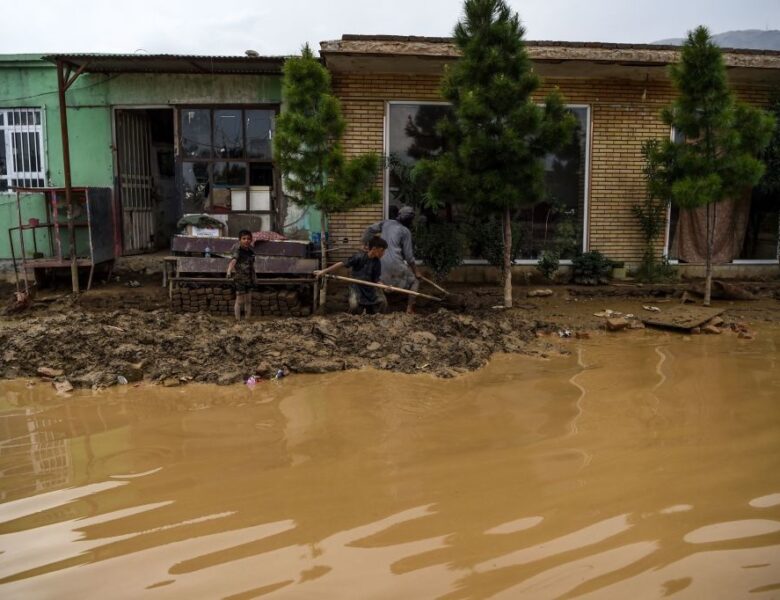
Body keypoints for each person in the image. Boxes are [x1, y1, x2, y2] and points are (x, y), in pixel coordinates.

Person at [362, 205, 420, 314]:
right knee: (415, 282)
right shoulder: (405, 231)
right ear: (410, 220)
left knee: (379, 281)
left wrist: (365, 244)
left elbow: (369, 229)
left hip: (379, 263)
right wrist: (416, 272)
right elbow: (408, 256)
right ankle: (409, 309)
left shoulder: (386, 223)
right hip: (396, 264)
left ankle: (380, 302)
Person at [314, 237, 388, 314]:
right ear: (374, 249)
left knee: (382, 303)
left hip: (370, 288)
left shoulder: (377, 262)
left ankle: (375, 320)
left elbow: (376, 280)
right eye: (382, 250)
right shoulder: (359, 257)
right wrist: (324, 271)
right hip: (357, 287)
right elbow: (341, 264)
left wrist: (383, 286)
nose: (383, 253)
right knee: (354, 305)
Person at [226, 229, 256, 320]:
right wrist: (229, 271)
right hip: (240, 279)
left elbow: (252, 264)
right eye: (244, 238)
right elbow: (233, 261)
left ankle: (247, 320)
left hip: (250, 278)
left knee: (248, 301)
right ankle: (238, 320)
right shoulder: (237, 250)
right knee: (239, 301)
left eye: (248, 239)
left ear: (251, 240)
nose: (246, 240)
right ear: (240, 239)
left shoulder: (251, 251)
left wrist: (254, 277)